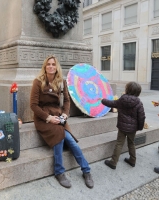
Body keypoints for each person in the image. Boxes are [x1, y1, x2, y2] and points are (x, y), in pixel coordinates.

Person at [30, 55, 94, 188]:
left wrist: (65, 115)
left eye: (53, 64)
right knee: (59, 138)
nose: (51, 66)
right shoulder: (38, 81)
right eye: (48, 64)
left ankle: (86, 171)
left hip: (58, 116)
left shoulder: (61, 81)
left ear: (56, 66)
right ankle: (59, 172)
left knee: (71, 141)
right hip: (43, 117)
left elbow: (66, 101)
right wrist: (48, 118)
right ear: (45, 67)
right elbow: (33, 105)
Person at [101, 82, 145, 169]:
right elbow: (141, 117)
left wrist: (102, 100)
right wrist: (140, 127)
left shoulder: (122, 100)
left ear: (127, 90)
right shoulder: (139, 103)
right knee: (131, 143)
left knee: (119, 143)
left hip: (122, 127)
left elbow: (112, 103)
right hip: (133, 128)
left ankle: (113, 162)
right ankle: (132, 160)